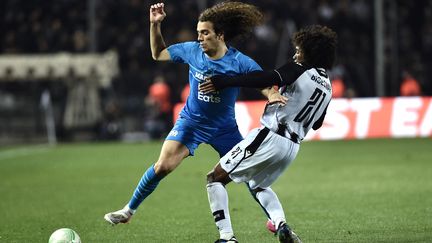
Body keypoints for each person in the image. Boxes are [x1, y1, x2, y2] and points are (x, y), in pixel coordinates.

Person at [104, 1, 284, 231]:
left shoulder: (239, 61)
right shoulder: (191, 51)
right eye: (198, 33)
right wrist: (154, 25)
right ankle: (128, 210)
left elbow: (264, 83)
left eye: (205, 33)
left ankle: (279, 223)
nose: (199, 38)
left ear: (220, 35)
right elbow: (158, 53)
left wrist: (273, 94)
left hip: (224, 129)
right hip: (192, 123)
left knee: (250, 175)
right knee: (163, 166)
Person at [199, 25, 338, 243]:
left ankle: (227, 238)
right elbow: (318, 123)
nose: (296, 53)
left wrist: (224, 81)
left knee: (214, 179)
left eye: (299, 50)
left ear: (310, 52)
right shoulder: (328, 85)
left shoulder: (299, 68)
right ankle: (281, 224)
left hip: (271, 135)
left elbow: (266, 78)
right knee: (258, 185)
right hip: (292, 147)